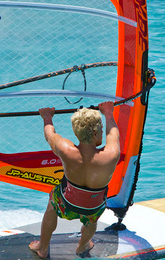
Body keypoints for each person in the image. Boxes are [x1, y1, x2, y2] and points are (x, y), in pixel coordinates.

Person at [29, 101, 120, 259]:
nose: (103, 132)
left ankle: (42, 248)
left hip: (66, 204)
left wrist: (47, 117)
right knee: (92, 219)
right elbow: (113, 134)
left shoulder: (65, 149)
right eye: (101, 130)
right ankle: (83, 244)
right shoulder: (111, 154)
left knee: (52, 205)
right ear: (95, 133)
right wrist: (108, 113)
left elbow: (49, 134)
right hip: (94, 206)